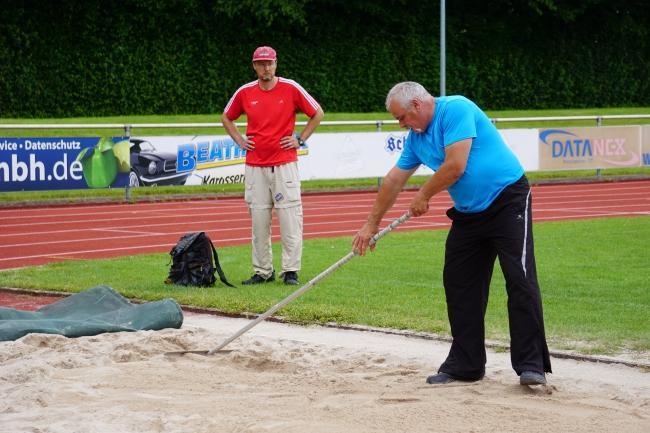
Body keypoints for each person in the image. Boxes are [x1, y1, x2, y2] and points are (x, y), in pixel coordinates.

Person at [352, 81, 552, 386]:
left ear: (417, 105)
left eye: (402, 117)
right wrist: (371, 223)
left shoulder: (456, 108)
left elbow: (455, 165)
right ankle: (466, 364)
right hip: (469, 213)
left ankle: (531, 364)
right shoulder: (416, 138)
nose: (402, 124)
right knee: (459, 283)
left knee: (520, 278)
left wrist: (424, 195)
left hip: (507, 199)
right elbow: (393, 180)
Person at [222, 46, 324, 286]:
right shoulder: (245, 92)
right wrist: (239, 139)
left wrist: (300, 138)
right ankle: (262, 271)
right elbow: (227, 116)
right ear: (254, 65)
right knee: (258, 219)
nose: (265, 68)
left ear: (276, 63)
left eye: (269, 63)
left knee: (289, 217)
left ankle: (290, 270)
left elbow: (317, 113)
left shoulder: (290, 87)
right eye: (260, 63)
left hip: (284, 163)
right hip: (255, 164)